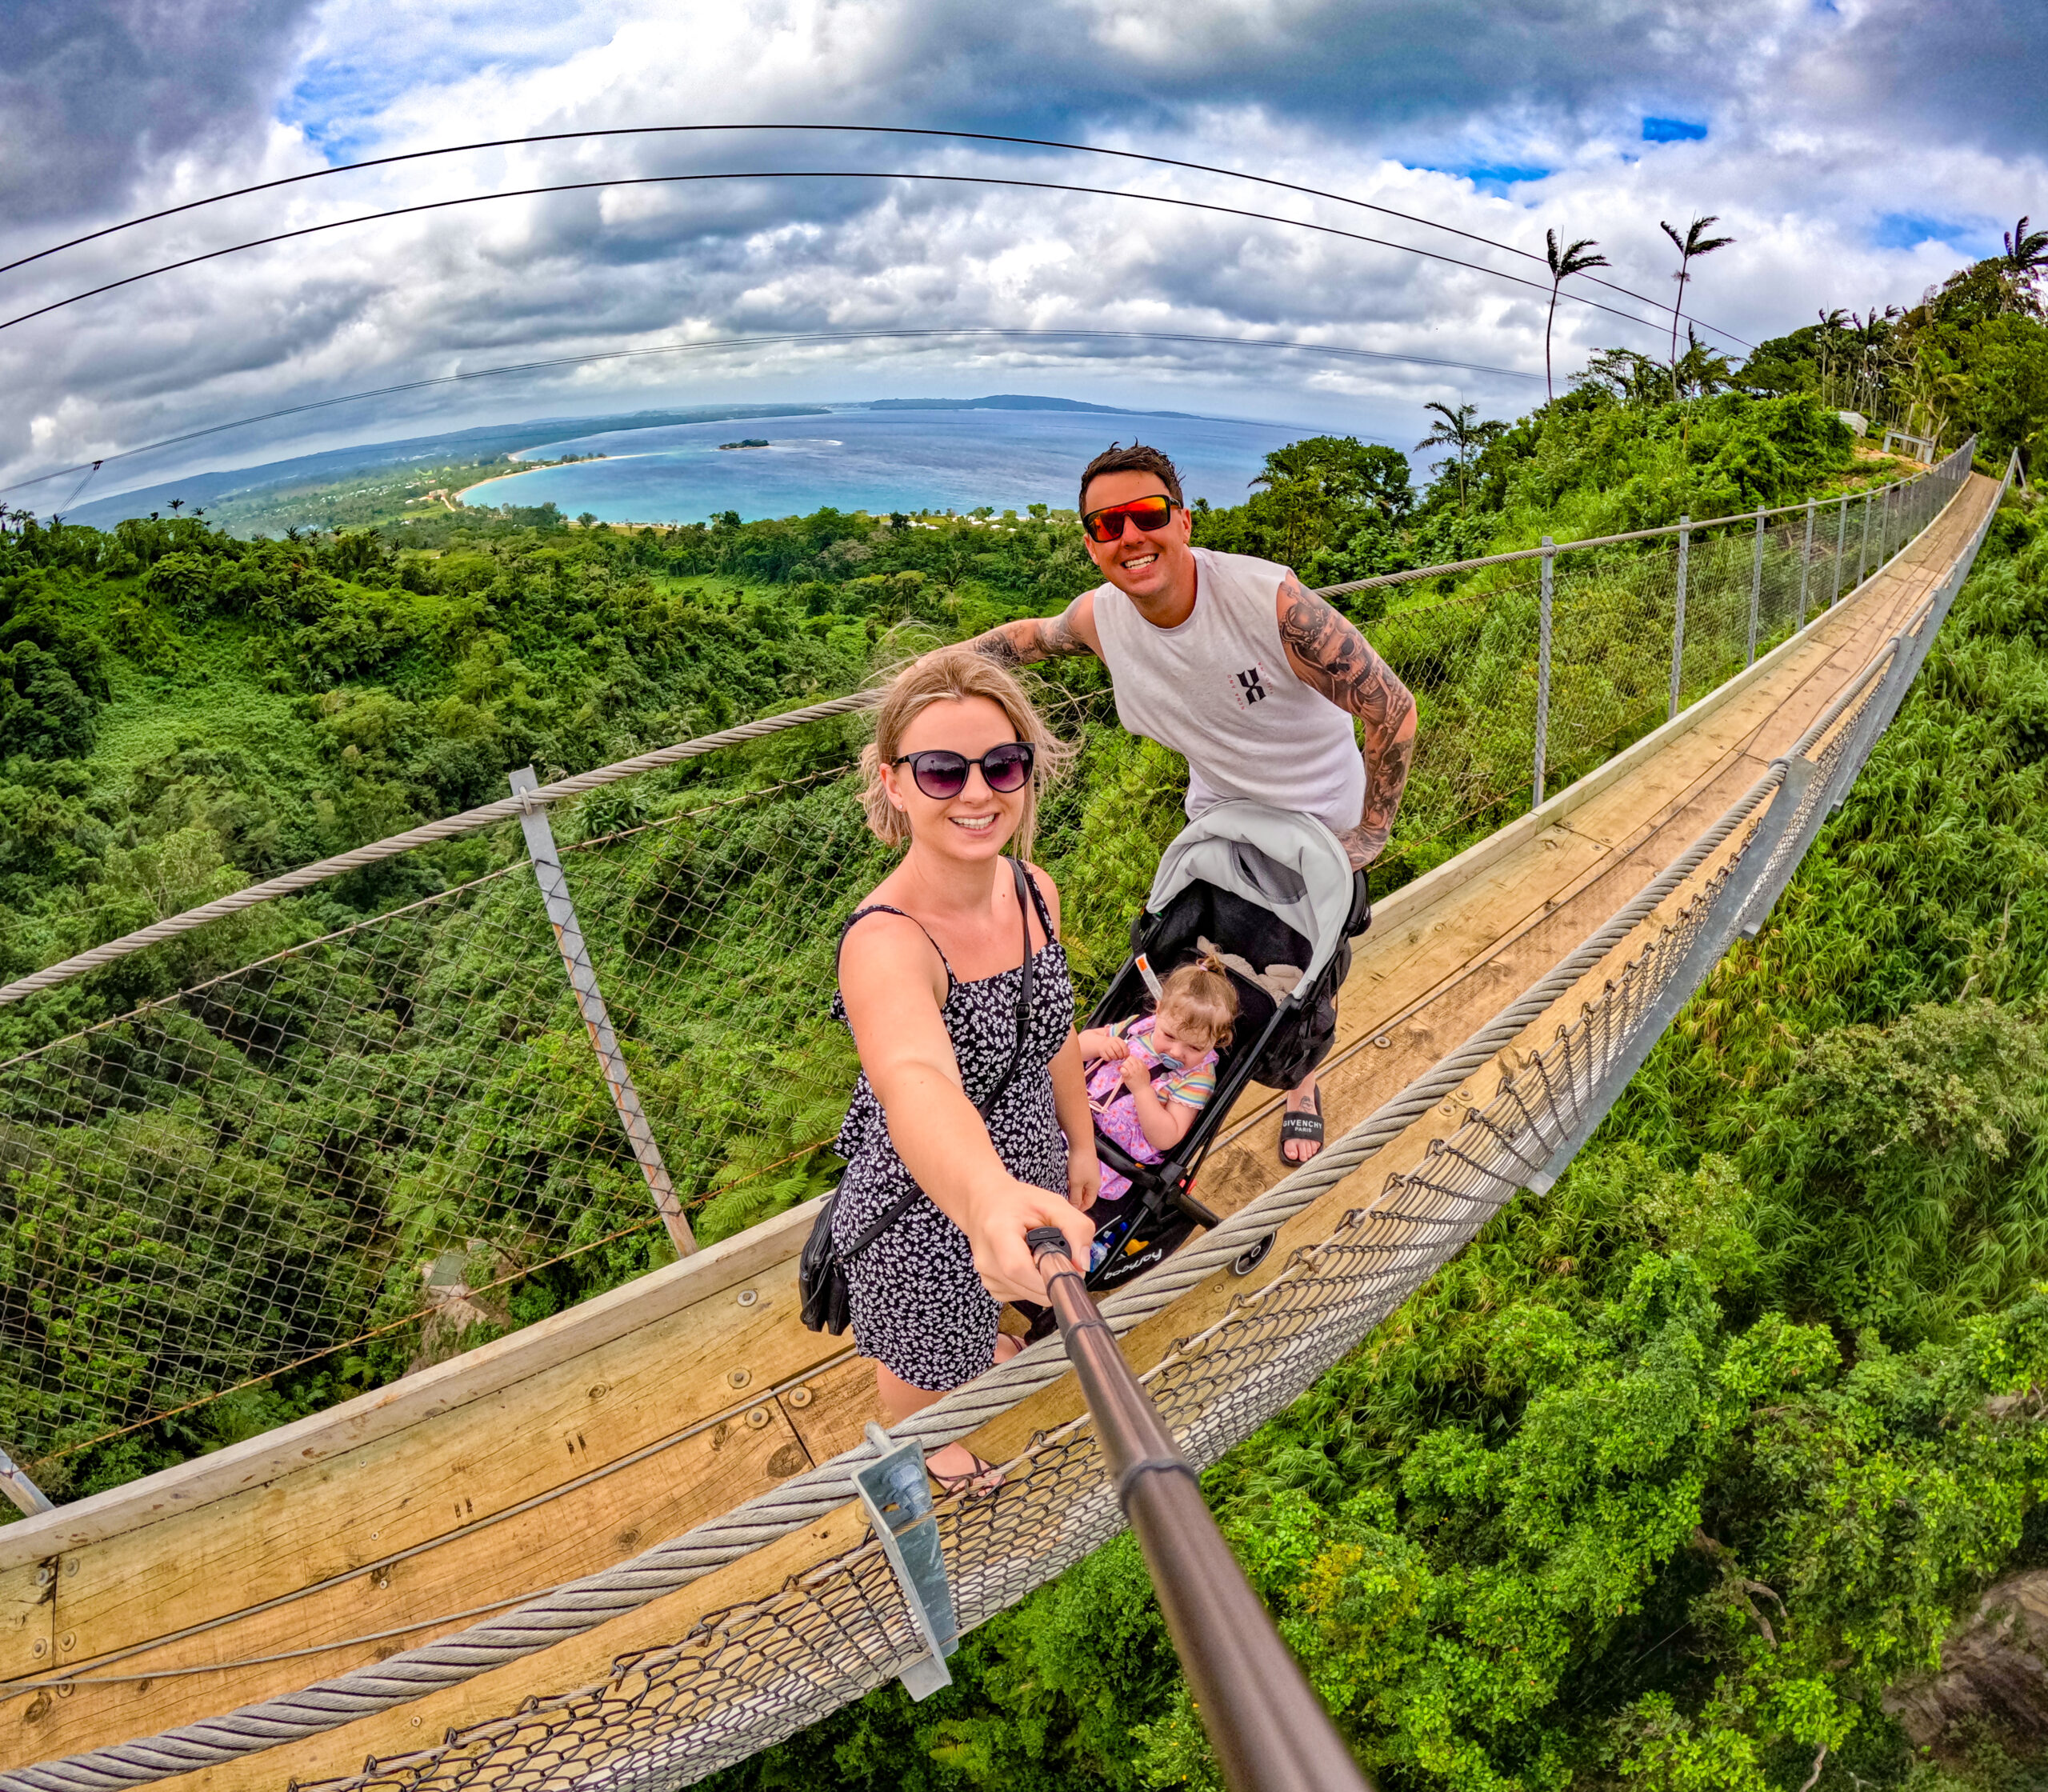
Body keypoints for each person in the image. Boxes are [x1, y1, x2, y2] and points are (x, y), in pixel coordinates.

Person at [966, 442, 1418, 1163]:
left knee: (1305, 968)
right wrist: (932, 671)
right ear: (1090, 544)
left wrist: (1371, 832)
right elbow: (1031, 640)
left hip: (1317, 824)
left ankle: (1300, 1083)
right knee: (1191, 951)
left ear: (1183, 520)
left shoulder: (1268, 604)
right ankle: (1162, 1069)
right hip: (1221, 818)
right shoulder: (1101, 618)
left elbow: (1392, 707)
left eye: (1146, 515)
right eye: (1106, 526)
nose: (1129, 538)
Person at [832, 647, 1098, 1494]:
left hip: (1026, 1157)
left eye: (1001, 764)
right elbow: (917, 1078)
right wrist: (984, 1197)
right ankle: (930, 1443)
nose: (978, 793)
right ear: (895, 782)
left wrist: (1079, 1142)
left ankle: (983, 1345)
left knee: (980, 1310)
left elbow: (1052, 1027)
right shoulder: (886, 942)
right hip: (923, 1200)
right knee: (924, 1346)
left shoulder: (1034, 890)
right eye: (942, 772)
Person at [1075, 954, 1239, 1206]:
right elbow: (1077, 1047)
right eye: (1170, 1036)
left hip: (1109, 1157)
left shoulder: (1197, 1079)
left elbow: (1167, 1137)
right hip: (1070, 1120)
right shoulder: (1140, 1029)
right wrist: (1102, 1044)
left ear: (1217, 1040)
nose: (1176, 1052)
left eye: (1194, 1048)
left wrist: (1142, 1091)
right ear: (1159, 1010)